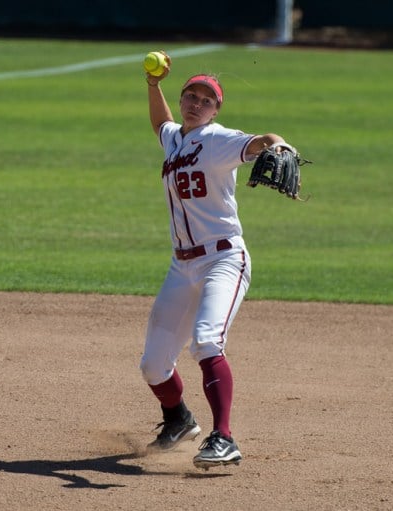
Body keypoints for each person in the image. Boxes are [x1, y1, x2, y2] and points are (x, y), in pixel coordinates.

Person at [139, 53, 294, 469]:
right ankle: (178, 419)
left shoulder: (217, 139)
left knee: (207, 340)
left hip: (224, 260)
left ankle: (223, 437)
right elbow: (161, 125)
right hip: (181, 266)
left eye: (205, 100)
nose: (195, 103)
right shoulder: (176, 138)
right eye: (190, 95)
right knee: (153, 365)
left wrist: (277, 143)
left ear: (216, 110)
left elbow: (260, 140)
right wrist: (153, 86)